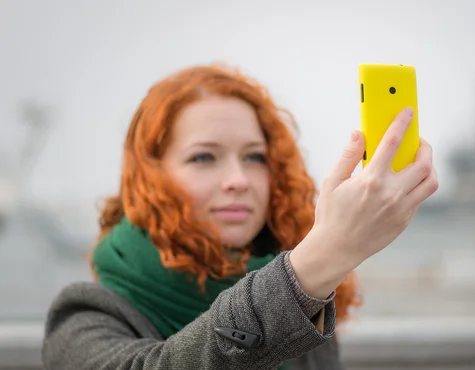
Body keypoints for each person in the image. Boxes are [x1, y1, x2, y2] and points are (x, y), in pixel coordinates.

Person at [42, 64, 438, 370]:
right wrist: (320, 259)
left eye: (255, 157)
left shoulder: (303, 303)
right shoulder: (85, 316)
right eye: (203, 157)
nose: (238, 180)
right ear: (150, 179)